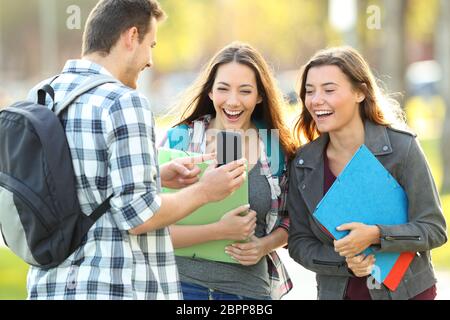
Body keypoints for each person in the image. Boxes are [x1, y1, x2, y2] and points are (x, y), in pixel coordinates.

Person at [26, 0, 246, 300]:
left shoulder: (42, 95)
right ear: (131, 36)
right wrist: (205, 191)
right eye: (151, 45)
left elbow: (76, 186)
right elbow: (139, 216)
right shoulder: (124, 101)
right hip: (112, 287)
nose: (150, 60)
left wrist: (155, 175)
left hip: (48, 286)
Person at [287, 46, 447, 300]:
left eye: (329, 90)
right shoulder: (303, 163)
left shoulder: (401, 148)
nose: (316, 100)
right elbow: (298, 242)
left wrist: (376, 234)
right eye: (309, 91)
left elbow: (434, 229)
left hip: (406, 293)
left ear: (360, 92)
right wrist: (345, 263)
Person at [159, 41, 297, 300]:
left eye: (245, 91)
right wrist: (218, 231)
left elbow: (292, 220)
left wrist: (262, 246)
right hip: (180, 287)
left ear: (259, 96)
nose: (233, 101)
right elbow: (151, 225)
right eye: (223, 89)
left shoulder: (274, 148)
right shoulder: (179, 140)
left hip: (248, 291)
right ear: (210, 91)